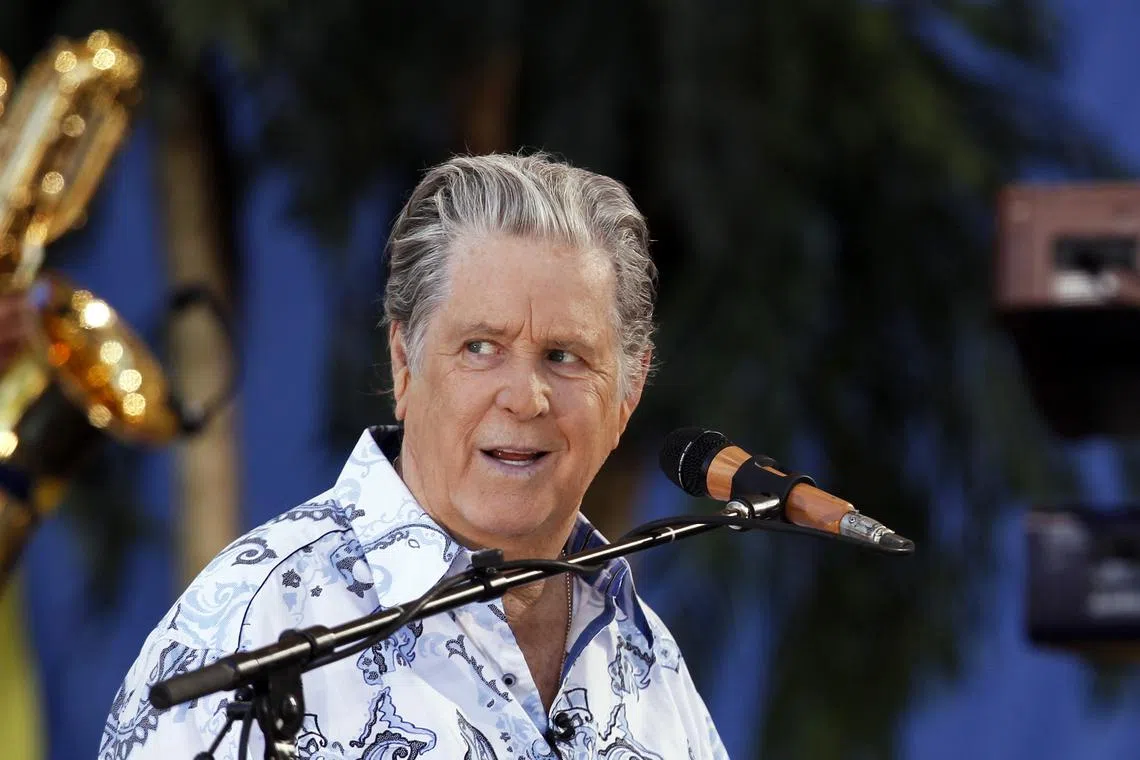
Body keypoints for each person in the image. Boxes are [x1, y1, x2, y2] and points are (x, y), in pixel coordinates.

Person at [100, 153, 728, 759]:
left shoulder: (649, 658)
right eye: (481, 347)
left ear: (628, 393)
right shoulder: (255, 621)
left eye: (564, 356)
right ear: (405, 362)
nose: (524, 397)